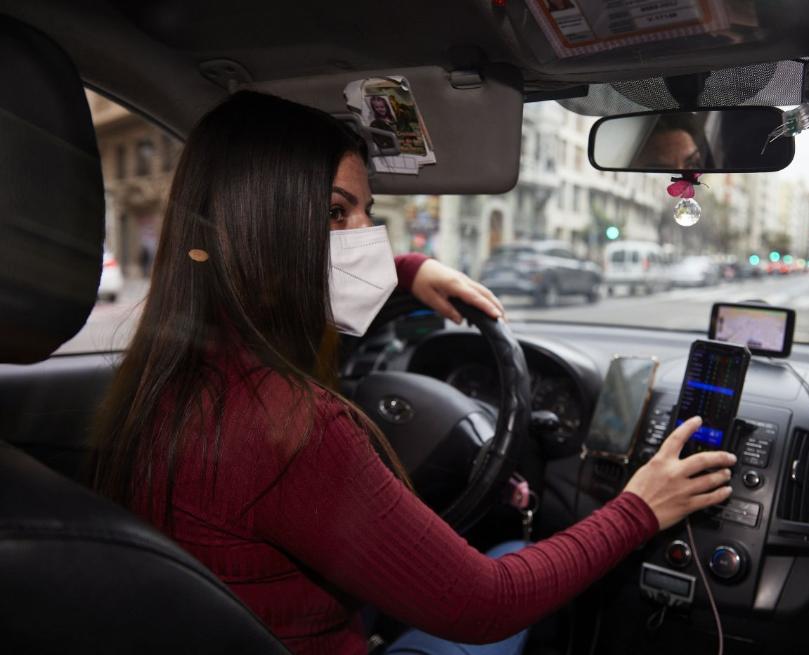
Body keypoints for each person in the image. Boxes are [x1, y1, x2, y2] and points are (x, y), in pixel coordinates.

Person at [90, 91, 735, 655]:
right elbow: (487, 603)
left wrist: (407, 271)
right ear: (259, 225)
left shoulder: (172, 369)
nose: (364, 240)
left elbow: (328, 273)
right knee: (511, 555)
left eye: (368, 214)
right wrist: (640, 507)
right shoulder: (294, 426)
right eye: (334, 214)